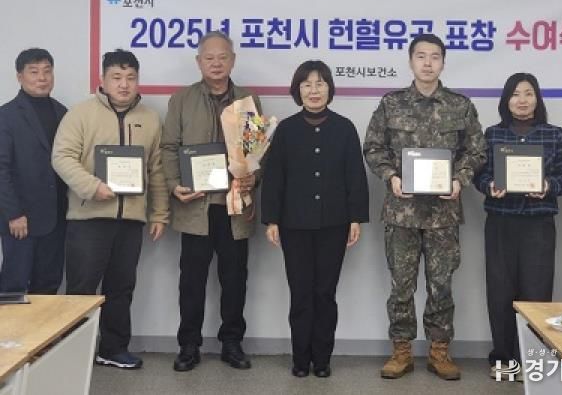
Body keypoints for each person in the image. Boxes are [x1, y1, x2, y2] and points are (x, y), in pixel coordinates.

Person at [363, 33, 486, 381]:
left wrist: (460, 178)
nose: (428, 63)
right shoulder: (391, 104)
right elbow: (373, 147)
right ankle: (401, 350)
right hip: (401, 211)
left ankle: (439, 351)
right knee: (401, 286)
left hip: (443, 214)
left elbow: (476, 150)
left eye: (434, 57)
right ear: (411, 61)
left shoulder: (460, 105)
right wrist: (391, 177)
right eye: (421, 56)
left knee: (441, 286)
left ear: (443, 62)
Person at [52, 49, 169, 369]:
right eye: (116, 77)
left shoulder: (149, 118)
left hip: (130, 220)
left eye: (131, 78)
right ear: (102, 79)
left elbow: (157, 170)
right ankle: (72, 354)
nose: (124, 84)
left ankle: (113, 349)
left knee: (121, 288)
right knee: (81, 290)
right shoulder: (80, 114)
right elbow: (62, 157)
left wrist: (159, 214)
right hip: (88, 218)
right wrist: (92, 187)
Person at [262, 60, 369, 378]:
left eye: (320, 83)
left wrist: (355, 218)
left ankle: (322, 359)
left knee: (325, 293)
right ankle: (300, 359)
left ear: (329, 88)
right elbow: (274, 177)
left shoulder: (344, 128)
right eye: (307, 84)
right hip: (293, 224)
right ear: (298, 90)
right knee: (300, 292)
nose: (313, 90)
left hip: (334, 224)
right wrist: (272, 220)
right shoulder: (286, 130)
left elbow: (355, 176)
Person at [161, 31, 260, 372]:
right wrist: (174, 185)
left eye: (223, 57)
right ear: (198, 61)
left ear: (233, 60)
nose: (216, 63)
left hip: (234, 208)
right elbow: (169, 147)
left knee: (235, 280)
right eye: (209, 58)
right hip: (196, 207)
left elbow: (257, 151)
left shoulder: (248, 100)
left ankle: (232, 343)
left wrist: (253, 177)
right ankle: (188, 345)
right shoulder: (182, 99)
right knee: (191, 281)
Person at [473, 73, 562, 380]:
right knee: (500, 293)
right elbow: (479, 175)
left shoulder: (554, 134)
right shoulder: (492, 134)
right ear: (506, 100)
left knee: (537, 294)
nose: (522, 100)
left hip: (538, 225)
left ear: (537, 99)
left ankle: (532, 361)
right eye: (515, 94)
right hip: (500, 222)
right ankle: (504, 359)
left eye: (528, 93)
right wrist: (490, 186)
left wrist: (547, 186)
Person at [0, 48, 67, 294]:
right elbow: (1, 169)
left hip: (56, 218)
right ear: (20, 76)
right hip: (21, 220)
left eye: (47, 71)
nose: (42, 78)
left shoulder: (63, 113)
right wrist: (13, 214)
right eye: (34, 72)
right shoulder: (6, 116)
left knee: (49, 286)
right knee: (14, 287)